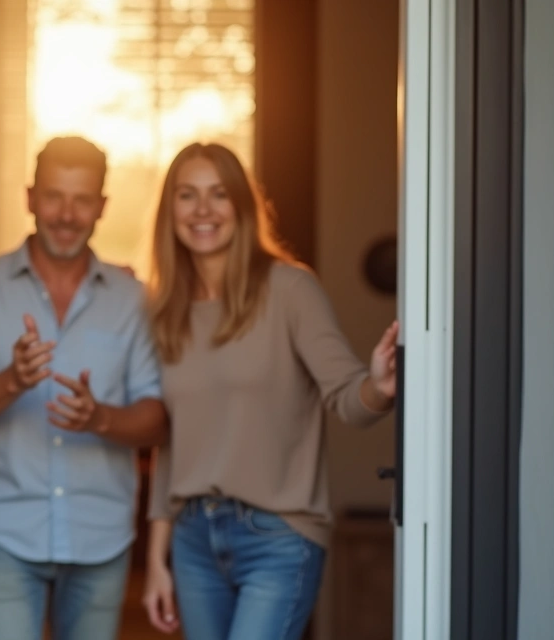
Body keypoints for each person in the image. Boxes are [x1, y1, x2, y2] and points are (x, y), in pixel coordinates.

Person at [140, 143, 398, 639]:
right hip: (193, 538)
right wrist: (157, 559)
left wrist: (380, 387)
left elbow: (348, 396)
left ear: (241, 204)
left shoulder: (290, 290)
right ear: (169, 210)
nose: (202, 210)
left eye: (218, 194)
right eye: (187, 195)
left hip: (279, 536)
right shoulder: (165, 311)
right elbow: (173, 442)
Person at [0, 136, 168, 640]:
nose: (67, 214)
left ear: (102, 206)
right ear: (29, 197)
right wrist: (13, 381)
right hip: (4, 531)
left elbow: (158, 416)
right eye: (54, 196)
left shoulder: (135, 300)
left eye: (82, 199)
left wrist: (102, 419)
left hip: (102, 533)